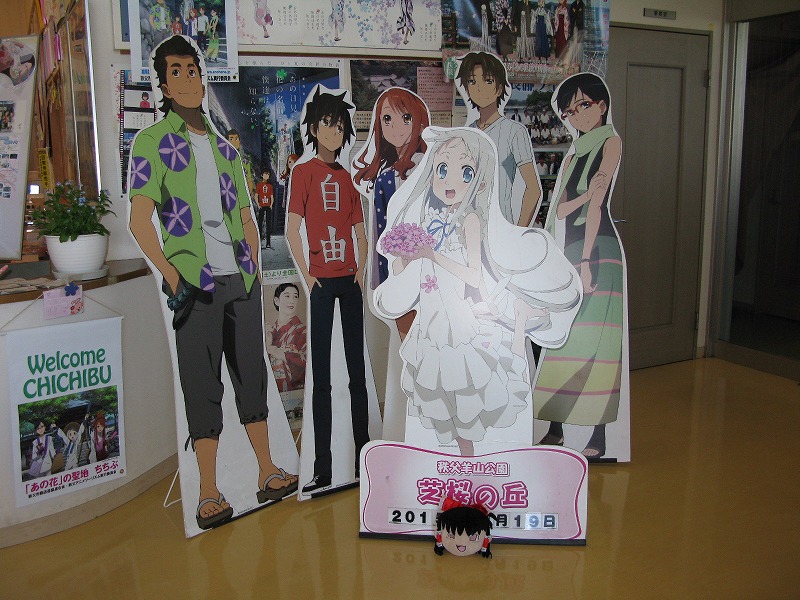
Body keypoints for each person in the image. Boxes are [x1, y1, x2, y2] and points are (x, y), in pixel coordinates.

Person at [128, 35, 297, 530]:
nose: (187, 79)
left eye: (193, 70)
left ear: (203, 79)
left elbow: (245, 213)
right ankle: (208, 492)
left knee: (251, 376)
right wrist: (172, 275)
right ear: (163, 85)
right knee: (201, 385)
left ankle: (267, 471)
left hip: (238, 280)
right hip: (194, 283)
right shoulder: (152, 143)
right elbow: (140, 221)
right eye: (176, 71)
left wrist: (253, 266)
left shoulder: (226, 149)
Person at [374, 127, 581, 456]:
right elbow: (406, 272)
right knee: (442, 396)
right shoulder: (431, 219)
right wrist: (403, 256)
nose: (450, 180)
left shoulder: (471, 220)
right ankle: (459, 464)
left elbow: (473, 275)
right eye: (442, 169)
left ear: (481, 182)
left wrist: (431, 255)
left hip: (460, 314)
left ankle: (474, 463)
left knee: (473, 391)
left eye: (466, 172)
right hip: (434, 317)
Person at [533, 73, 625, 460]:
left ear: (601, 105)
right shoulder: (572, 154)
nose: (577, 115)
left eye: (583, 105)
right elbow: (561, 210)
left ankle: (598, 435)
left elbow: (596, 205)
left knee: (598, 344)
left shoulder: (610, 142)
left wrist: (586, 260)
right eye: (570, 111)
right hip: (569, 250)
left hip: (597, 249)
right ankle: (556, 427)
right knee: (562, 339)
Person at [285, 87, 370, 493]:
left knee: (357, 375)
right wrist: (308, 277)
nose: (334, 132)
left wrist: (361, 272)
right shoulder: (303, 173)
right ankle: (322, 467)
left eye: (339, 126)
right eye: (327, 124)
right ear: (314, 128)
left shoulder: (349, 178)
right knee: (321, 378)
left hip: (349, 281)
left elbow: (361, 232)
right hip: (320, 283)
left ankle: (362, 456)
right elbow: (291, 230)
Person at [352, 88, 429, 292]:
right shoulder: (385, 178)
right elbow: (381, 232)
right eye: (387, 118)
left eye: (406, 118)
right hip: (400, 268)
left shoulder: (428, 168)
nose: (396, 127)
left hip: (423, 266)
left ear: (420, 124)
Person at [457, 52, 541, 228]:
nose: (479, 88)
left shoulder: (514, 131)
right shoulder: (466, 133)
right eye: (472, 81)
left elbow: (533, 188)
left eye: (488, 81)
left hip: (500, 227)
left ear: (500, 88)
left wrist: (519, 231)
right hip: (466, 226)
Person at [266, 283, 307, 392]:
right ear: (276, 301)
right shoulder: (269, 331)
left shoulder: (302, 331)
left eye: (295, 296)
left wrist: (283, 355)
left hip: (294, 389)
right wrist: (267, 344)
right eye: (287, 296)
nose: (291, 301)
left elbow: (307, 363)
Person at [255, 170, 274, 248]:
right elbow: (256, 196)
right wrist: (258, 204)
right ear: (262, 175)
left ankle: (268, 243)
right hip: (261, 206)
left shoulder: (270, 186)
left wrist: (271, 205)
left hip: (268, 206)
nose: (266, 176)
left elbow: (271, 196)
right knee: (260, 223)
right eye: (265, 174)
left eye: (268, 175)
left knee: (268, 224)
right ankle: (259, 242)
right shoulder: (259, 185)